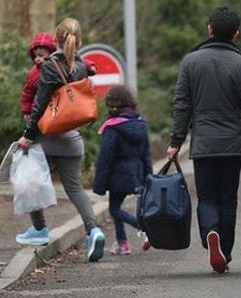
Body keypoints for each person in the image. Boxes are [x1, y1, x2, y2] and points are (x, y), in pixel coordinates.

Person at [167, 7, 241, 274]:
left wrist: (176, 141)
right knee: (229, 199)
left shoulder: (190, 62)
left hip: (204, 143)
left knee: (207, 196)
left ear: (209, 29)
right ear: (236, 33)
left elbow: (182, 105)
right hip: (232, 142)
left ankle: (211, 234)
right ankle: (226, 252)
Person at [16, 18, 106, 262]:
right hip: (72, 139)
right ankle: (94, 230)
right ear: (79, 40)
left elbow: (40, 105)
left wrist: (27, 136)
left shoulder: (49, 66)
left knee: (29, 180)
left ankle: (39, 229)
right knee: (75, 189)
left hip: (46, 137)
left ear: (55, 40)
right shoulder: (80, 65)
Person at [93, 86, 153, 255]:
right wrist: (148, 177)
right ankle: (122, 244)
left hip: (117, 175)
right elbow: (146, 155)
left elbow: (106, 158)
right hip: (136, 172)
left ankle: (144, 229)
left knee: (114, 209)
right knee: (115, 206)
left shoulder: (112, 128)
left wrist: (99, 184)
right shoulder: (140, 124)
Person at [20, 32, 96, 120]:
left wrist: (89, 66)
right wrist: (27, 110)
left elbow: (76, 61)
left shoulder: (60, 64)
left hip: (64, 106)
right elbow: (27, 92)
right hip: (44, 111)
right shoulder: (34, 73)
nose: (37, 59)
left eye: (41, 56)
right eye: (35, 56)